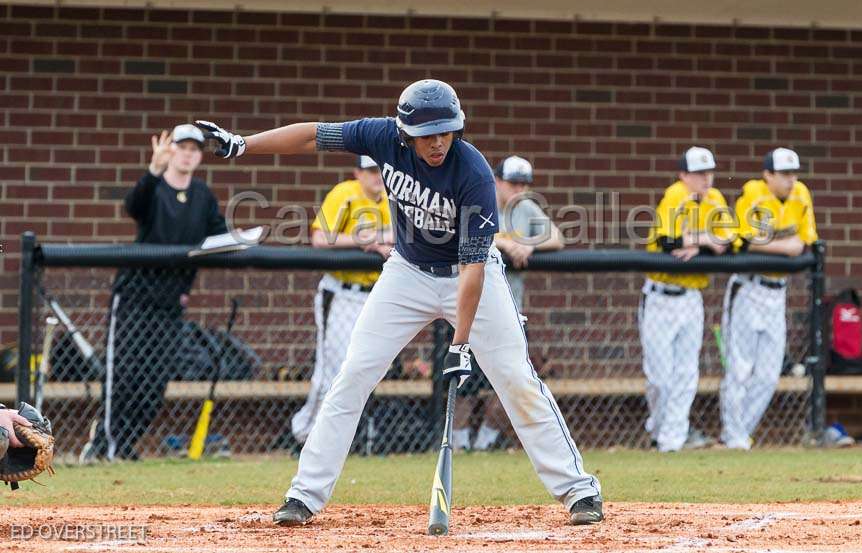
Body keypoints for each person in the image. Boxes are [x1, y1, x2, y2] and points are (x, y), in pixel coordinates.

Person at [196, 79, 604, 526]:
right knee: (351, 376)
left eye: (445, 131)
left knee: (515, 380)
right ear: (405, 131)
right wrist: (241, 145)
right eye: (427, 134)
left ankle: (578, 490)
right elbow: (313, 134)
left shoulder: (473, 174)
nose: (437, 142)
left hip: (471, 275)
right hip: (406, 273)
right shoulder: (381, 135)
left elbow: (473, 270)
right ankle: (304, 495)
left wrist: (461, 344)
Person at [81, 125, 227, 463]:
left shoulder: (203, 196)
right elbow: (134, 206)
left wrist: (243, 240)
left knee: (153, 382)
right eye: (182, 147)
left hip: (170, 303)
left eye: (195, 148)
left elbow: (219, 237)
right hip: (134, 297)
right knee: (124, 375)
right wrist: (153, 169)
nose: (188, 153)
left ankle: (123, 443)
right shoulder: (154, 187)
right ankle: (106, 446)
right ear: (171, 150)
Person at [453, 155, 565, 452]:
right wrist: (502, 242)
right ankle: (459, 442)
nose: (519, 190)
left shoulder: (525, 208)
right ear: (497, 181)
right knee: (465, 383)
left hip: (510, 311)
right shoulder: (480, 198)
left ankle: (485, 442)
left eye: (524, 185)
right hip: (470, 311)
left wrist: (529, 243)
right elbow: (460, 235)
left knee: (507, 384)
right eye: (513, 183)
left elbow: (557, 237)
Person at [289, 155, 392, 453]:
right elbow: (320, 238)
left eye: (380, 170)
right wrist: (365, 239)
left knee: (367, 369)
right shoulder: (345, 193)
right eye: (371, 170)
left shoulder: (392, 198)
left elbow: (407, 234)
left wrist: (375, 238)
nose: (377, 177)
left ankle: (342, 440)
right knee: (330, 371)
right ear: (357, 172)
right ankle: (304, 436)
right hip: (342, 293)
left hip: (376, 295)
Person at [720, 148, 818, 450]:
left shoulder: (801, 194)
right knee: (740, 368)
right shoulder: (753, 193)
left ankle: (739, 434)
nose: (791, 179)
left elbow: (806, 242)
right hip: (749, 289)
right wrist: (786, 246)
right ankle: (734, 437)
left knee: (769, 373)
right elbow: (747, 242)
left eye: (794, 173)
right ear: (768, 175)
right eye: (784, 174)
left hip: (777, 293)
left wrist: (780, 245)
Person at [641, 147, 734, 453]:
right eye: (698, 173)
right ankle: (659, 427)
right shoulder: (675, 194)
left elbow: (729, 241)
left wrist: (698, 241)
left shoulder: (716, 199)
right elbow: (669, 242)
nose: (705, 178)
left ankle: (672, 440)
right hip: (660, 296)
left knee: (686, 373)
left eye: (709, 172)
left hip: (691, 297)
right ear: (683, 175)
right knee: (660, 377)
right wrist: (707, 239)